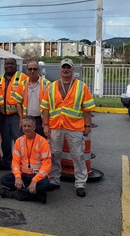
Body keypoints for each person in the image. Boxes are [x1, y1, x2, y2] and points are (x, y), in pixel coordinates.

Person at [41, 58, 96, 197]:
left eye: (68, 67)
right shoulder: (51, 86)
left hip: (75, 127)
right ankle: (54, 180)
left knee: (77, 155)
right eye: (63, 67)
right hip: (55, 126)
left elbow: (87, 108)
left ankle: (80, 183)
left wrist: (87, 125)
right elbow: (45, 108)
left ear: (73, 70)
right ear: (60, 69)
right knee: (55, 154)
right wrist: (46, 125)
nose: (66, 70)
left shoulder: (81, 86)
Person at [0, 116, 51, 204]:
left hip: (36, 176)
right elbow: (15, 162)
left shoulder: (43, 142)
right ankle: (36, 195)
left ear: (34, 127)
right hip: (23, 175)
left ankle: (14, 194)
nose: (26, 128)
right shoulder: (19, 141)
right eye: (24, 126)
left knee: (46, 184)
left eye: (29, 126)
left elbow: (46, 165)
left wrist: (35, 180)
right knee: (4, 179)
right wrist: (18, 177)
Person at [0, 58, 28, 170]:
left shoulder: (23, 78)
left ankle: (21, 163)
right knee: (5, 141)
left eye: (11, 63)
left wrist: (22, 118)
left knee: (18, 139)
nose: (9, 65)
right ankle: (6, 162)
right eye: (7, 63)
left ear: (16, 65)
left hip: (15, 116)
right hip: (3, 116)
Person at [13, 61, 50, 137]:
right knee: (25, 141)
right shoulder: (22, 84)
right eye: (30, 69)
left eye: (35, 69)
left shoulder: (47, 84)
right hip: (27, 119)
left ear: (39, 70)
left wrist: (46, 123)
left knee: (41, 142)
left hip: (41, 119)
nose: (32, 71)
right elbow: (18, 102)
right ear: (26, 70)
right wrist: (21, 119)